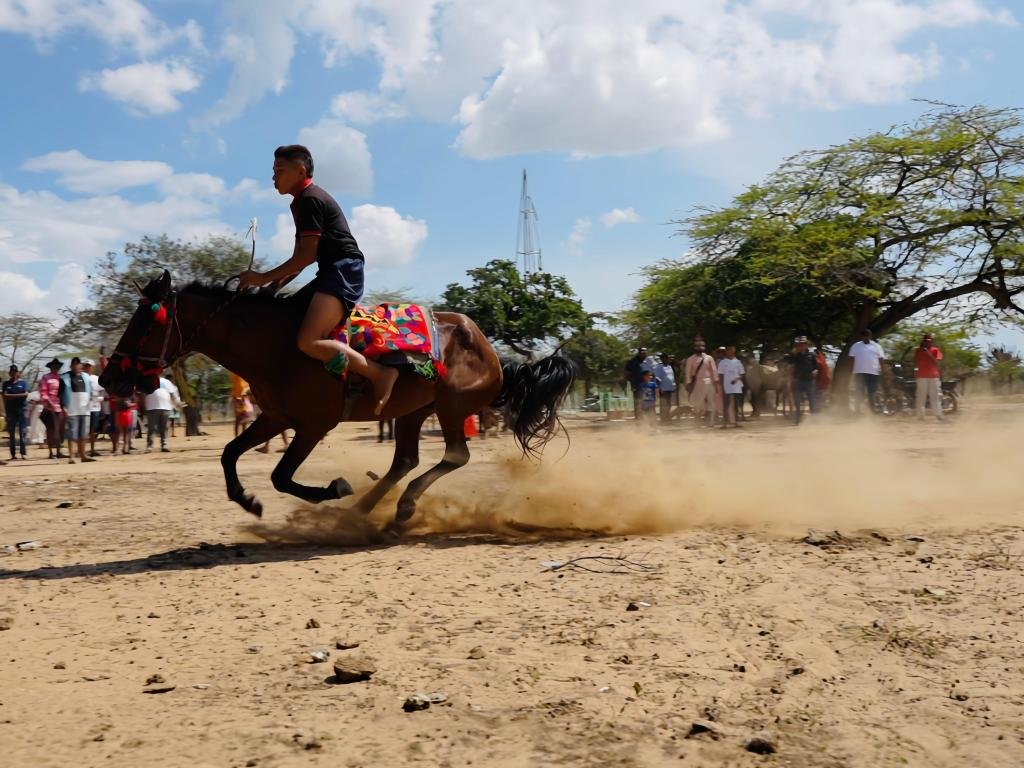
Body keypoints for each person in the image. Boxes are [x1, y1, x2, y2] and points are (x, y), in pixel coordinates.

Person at [235, 145, 397, 415]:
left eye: (279, 171)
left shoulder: (309, 199)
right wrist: (273, 286)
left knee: (308, 341)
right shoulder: (301, 201)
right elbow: (303, 255)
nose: (273, 177)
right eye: (273, 171)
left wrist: (261, 278)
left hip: (343, 271)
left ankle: (380, 374)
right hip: (332, 270)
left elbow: (306, 256)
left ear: (300, 171)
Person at [61, 357, 95, 463]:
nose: (76, 366)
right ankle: (71, 456)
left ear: (81, 366)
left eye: (78, 364)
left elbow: (91, 392)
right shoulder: (65, 377)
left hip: (85, 409)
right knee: (72, 434)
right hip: (72, 409)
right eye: (74, 364)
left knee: (84, 434)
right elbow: (60, 394)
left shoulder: (86, 377)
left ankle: (83, 455)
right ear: (71, 366)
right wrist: (64, 407)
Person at [684, 337, 719, 427]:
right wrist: (688, 385)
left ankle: (711, 422)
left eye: (702, 346)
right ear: (694, 347)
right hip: (697, 384)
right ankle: (697, 422)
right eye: (698, 346)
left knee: (711, 402)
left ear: (704, 347)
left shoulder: (709, 358)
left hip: (709, 383)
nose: (700, 347)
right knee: (697, 403)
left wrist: (716, 383)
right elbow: (688, 374)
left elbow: (714, 371)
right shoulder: (690, 359)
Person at [848, 330, 885, 414]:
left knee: (872, 392)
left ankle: (872, 410)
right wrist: (850, 370)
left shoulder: (876, 346)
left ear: (870, 336)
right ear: (861, 336)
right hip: (859, 372)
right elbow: (851, 358)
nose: (865, 337)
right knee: (859, 391)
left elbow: (881, 359)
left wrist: (883, 370)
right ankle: (858, 410)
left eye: (867, 335)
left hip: (874, 372)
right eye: (864, 335)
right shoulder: (856, 346)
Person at [785, 336, 819, 425]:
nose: (801, 346)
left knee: (812, 401)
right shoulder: (794, 356)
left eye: (803, 344)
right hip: (798, 381)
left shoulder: (812, 355)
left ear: (806, 345)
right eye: (799, 344)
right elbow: (789, 364)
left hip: (810, 381)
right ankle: (797, 420)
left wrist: (815, 371)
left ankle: (814, 420)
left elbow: (816, 366)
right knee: (797, 401)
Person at [144, 376, 183, 453]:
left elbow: (173, 394)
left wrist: (178, 403)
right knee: (152, 428)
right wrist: (143, 406)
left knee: (164, 427)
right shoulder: (147, 380)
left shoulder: (167, 382)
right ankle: (149, 446)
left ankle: (164, 445)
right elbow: (143, 394)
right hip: (152, 407)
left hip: (165, 407)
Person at [38, 357, 66, 459]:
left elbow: (63, 392)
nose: (56, 368)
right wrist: (48, 402)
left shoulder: (61, 378)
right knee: (50, 429)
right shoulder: (46, 378)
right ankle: (51, 452)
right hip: (49, 407)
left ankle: (58, 451)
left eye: (57, 367)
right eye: (54, 367)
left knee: (59, 429)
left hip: (59, 407)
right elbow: (43, 392)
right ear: (50, 367)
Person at [914, 333, 944, 421]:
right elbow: (916, 362)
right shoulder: (918, 350)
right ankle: (920, 416)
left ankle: (938, 415)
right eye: (925, 341)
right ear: (923, 341)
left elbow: (936, 362)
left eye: (929, 341)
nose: (927, 343)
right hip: (921, 376)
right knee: (921, 396)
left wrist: (928, 353)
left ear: (931, 342)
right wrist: (915, 370)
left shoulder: (935, 350)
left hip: (933, 376)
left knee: (935, 397)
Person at [3, 364, 29, 460]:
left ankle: (23, 453)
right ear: (10, 373)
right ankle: (13, 454)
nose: (14, 374)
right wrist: (20, 395)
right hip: (10, 411)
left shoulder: (23, 383)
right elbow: (5, 396)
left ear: (18, 373)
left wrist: (12, 396)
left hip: (22, 410)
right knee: (12, 433)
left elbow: (26, 394)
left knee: (23, 432)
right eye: (12, 372)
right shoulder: (6, 384)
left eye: (15, 372)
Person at [82, 359, 106, 457]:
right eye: (85, 366)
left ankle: (92, 450)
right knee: (84, 430)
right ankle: (81, 450)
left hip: (95, 407)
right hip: (84, 407)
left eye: (89, 366)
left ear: (92, 367)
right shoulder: (81, 377)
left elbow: (102, 392)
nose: (87, 368)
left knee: (93, 430)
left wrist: (100, 399)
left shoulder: (97, 379)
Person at [717, 346, 745, 428]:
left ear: (734, 352)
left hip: (737, 387)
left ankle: (735, 422)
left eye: (732, 351)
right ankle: (724, 423)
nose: (730, 352)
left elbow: (742, 374)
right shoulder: (722, 363)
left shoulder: (738, 362)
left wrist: (737, 379)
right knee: (726, 405)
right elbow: (720, 375)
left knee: (736, 405)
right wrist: (722, 387)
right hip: (727, 387)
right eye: (728, 351)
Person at [624, 347, 655, 419]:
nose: (643, 353)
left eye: (644, 352)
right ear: (639, 352)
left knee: (649, 404)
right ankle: (639, 422)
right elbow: (626, 373)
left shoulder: (649, 361)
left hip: (648, 386)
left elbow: (652, 372)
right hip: (637, 386)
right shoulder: (632, 361)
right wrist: (631, 382)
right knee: (639, 404)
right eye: (642, 352)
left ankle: (651, 422)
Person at [652, 353, 677, 424]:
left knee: (669, 404)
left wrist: (674, 384)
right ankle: (663, 419)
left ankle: (667, 418)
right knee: (664, 405)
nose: (667, 359)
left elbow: (672, 377)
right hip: (663, 389)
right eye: (665, 358)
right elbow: (657, 379)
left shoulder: (669, 367)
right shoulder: (659, 367)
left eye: (667, 358)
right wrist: (659, 388)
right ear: (662, 359)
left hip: (670, 388)